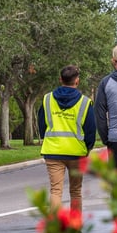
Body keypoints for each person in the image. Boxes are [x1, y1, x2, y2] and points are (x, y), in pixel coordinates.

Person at [38, 65, 96, 211]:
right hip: (76, 152)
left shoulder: (47, 99)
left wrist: (48, 139)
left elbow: (41, 125)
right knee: (76, 192)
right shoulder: (84, 102)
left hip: (53, 151)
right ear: (77, 81)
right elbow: (90, 130)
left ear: (60, 79)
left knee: (55, 191)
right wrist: (87, 148)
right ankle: (75, 225)